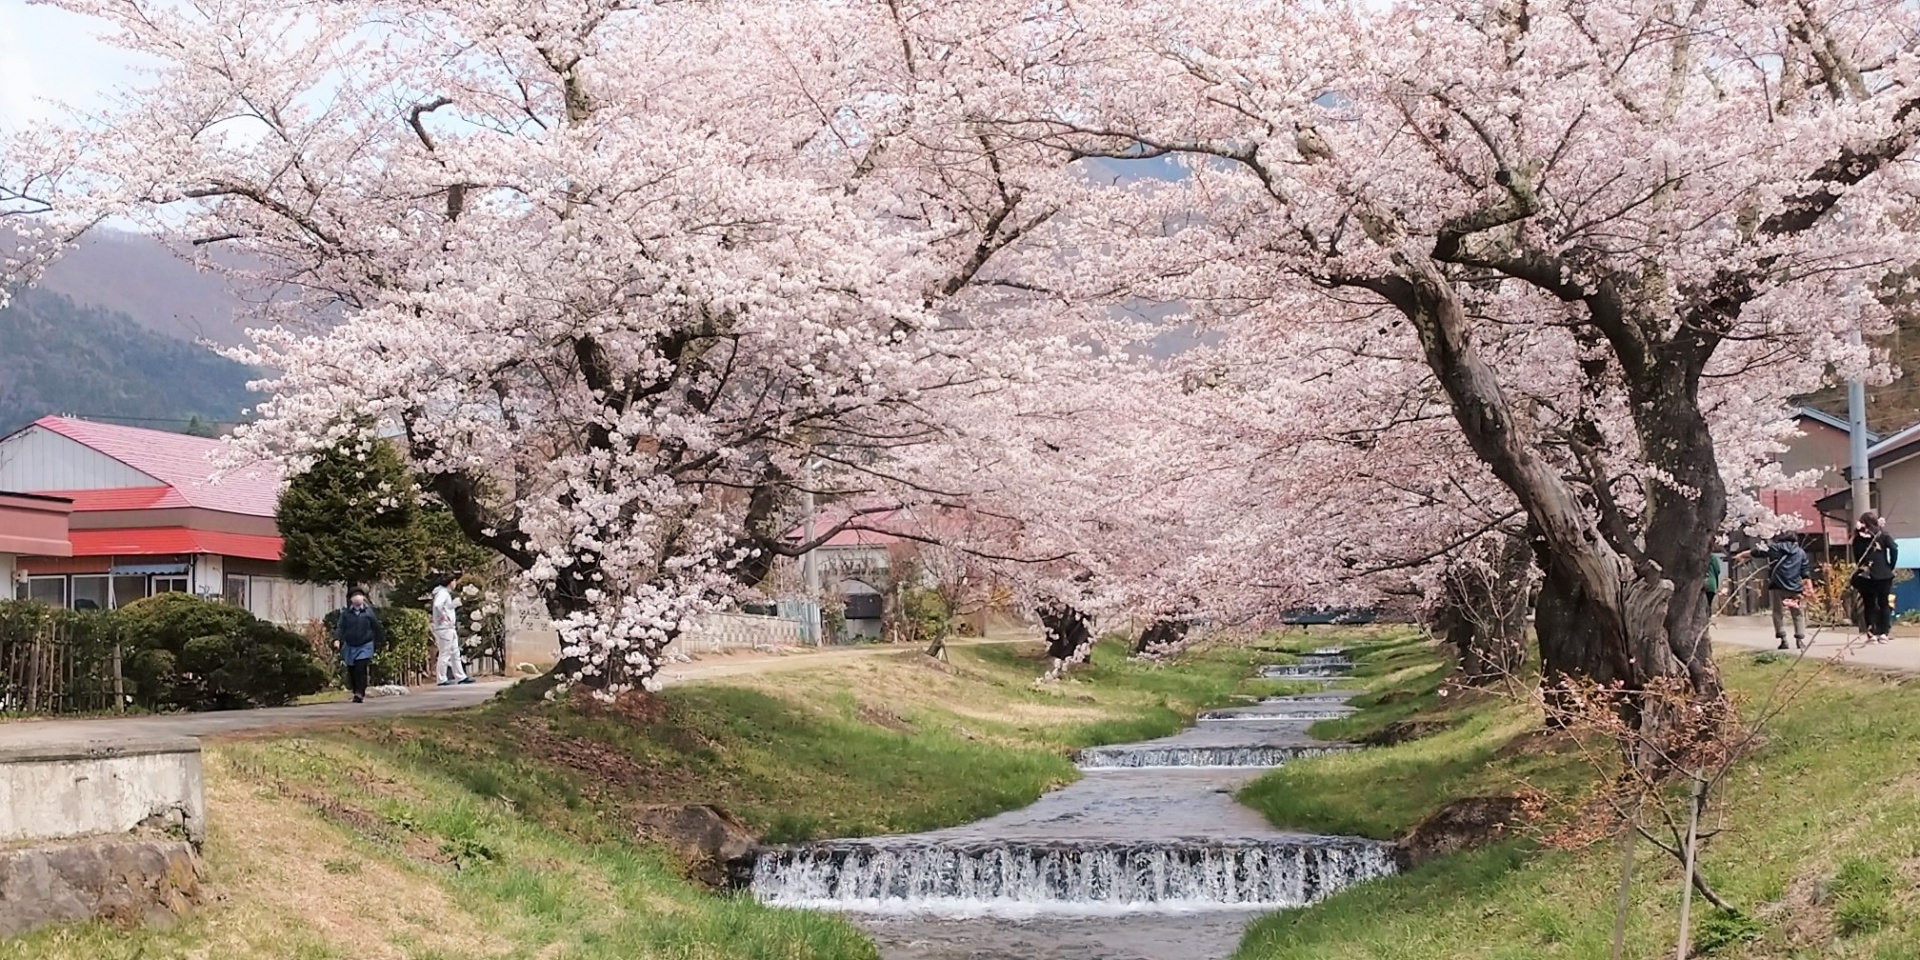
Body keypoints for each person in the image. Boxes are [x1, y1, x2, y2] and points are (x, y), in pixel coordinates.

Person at [1736, 533, 1810, 650]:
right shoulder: (1800, 553)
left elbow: (1757, 552)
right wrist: (1809, 588)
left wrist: (1741, 554)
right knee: (1797, 614)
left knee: (1777, 613)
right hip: (1794, 588)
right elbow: (1805, 572)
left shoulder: (1775, 548)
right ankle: (1799, 640)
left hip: (1778, 586)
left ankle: (1783, 640)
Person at [1852, 512, 1899, 645]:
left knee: (1869, 604)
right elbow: (1894, 549)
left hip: (1865, 575)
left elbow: (1857, 557)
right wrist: (1890, 565)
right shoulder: (1882, 535)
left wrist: (1861, 566)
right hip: (1884, 574)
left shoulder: (1858, 538)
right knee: (1884, 603)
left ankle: (1871, 634)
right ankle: (1883, 633)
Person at [334, 588, 386, 703]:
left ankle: (360, 692)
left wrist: (381, 640)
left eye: (360, 595)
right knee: (352, 669)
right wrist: (337, 639)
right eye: (355, 595)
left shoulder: (368, 612)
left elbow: (376, 626)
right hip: (350, 645)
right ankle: (355, 689)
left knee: (360, 667)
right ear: (351, 599)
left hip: (365, 644)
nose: (358, 597)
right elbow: (340, 627)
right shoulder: (346, 614)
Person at [430, 572, 474, 686]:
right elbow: (437, 605)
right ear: (450, 582)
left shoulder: (443, 593)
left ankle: (460, 676)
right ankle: (441, 678)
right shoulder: (443, 593)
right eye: (454, 581)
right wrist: (443, 615)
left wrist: (451, 606)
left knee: (455, 653)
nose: (455, 583)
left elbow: (442, 606)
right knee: (445, 653)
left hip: (448, 627)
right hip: (444, 627)